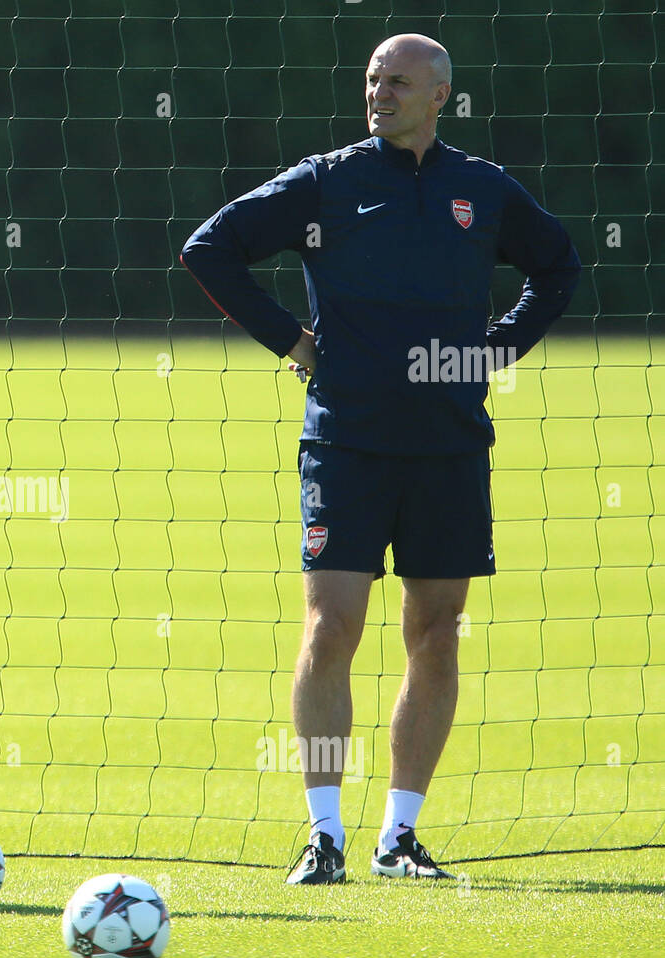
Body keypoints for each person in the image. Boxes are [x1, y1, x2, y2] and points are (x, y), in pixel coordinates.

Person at [181, 34, 579, 883]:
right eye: (371, 80)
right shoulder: (327, 181)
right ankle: (323, 835)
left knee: (436, 636)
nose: (379, 93)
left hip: (446, 447)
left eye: (397, 82)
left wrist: (500, 348)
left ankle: (399, 837)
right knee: (332, 629)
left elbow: (559, 266)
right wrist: (293, 341)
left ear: (440, 95)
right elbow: (209, 248)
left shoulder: (482, 189)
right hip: (347, 441)